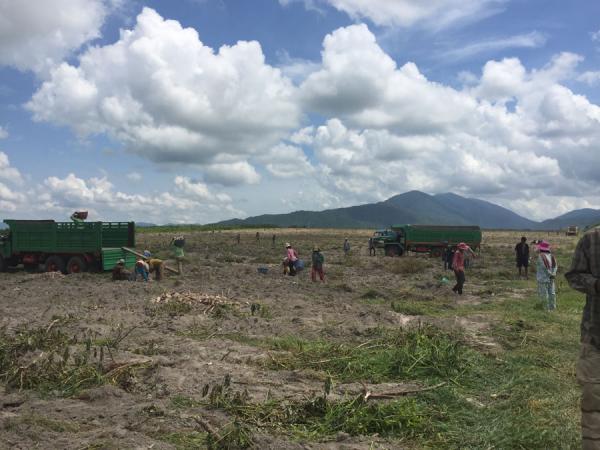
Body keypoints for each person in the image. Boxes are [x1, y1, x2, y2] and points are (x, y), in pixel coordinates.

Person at [565, 229, 600, 449]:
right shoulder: (592, 239)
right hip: (596, 337)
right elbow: (574, 276)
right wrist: (595, 285)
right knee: (593, 404)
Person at [536, 241, 557, 310]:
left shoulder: (541, 256)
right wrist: (553, 274)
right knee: (552, 293)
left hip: (543, 278)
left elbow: (544, 267)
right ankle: (552, 307)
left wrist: (549, 274)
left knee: (544, 294)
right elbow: (555, 266)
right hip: (551, 278)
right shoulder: (552, 256)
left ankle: (546, 309)